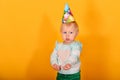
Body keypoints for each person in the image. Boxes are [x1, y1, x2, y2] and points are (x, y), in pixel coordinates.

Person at [50, 3, 82, 80]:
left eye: (71, 32)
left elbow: (74, 56)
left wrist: (69, 63)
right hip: (61, 73)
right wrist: (54, 63)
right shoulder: (58, 46)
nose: (67, 35)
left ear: (76, 33)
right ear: (61, 32)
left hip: (73, 74)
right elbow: (53, 55)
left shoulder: (76, 46)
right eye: (65, 32)